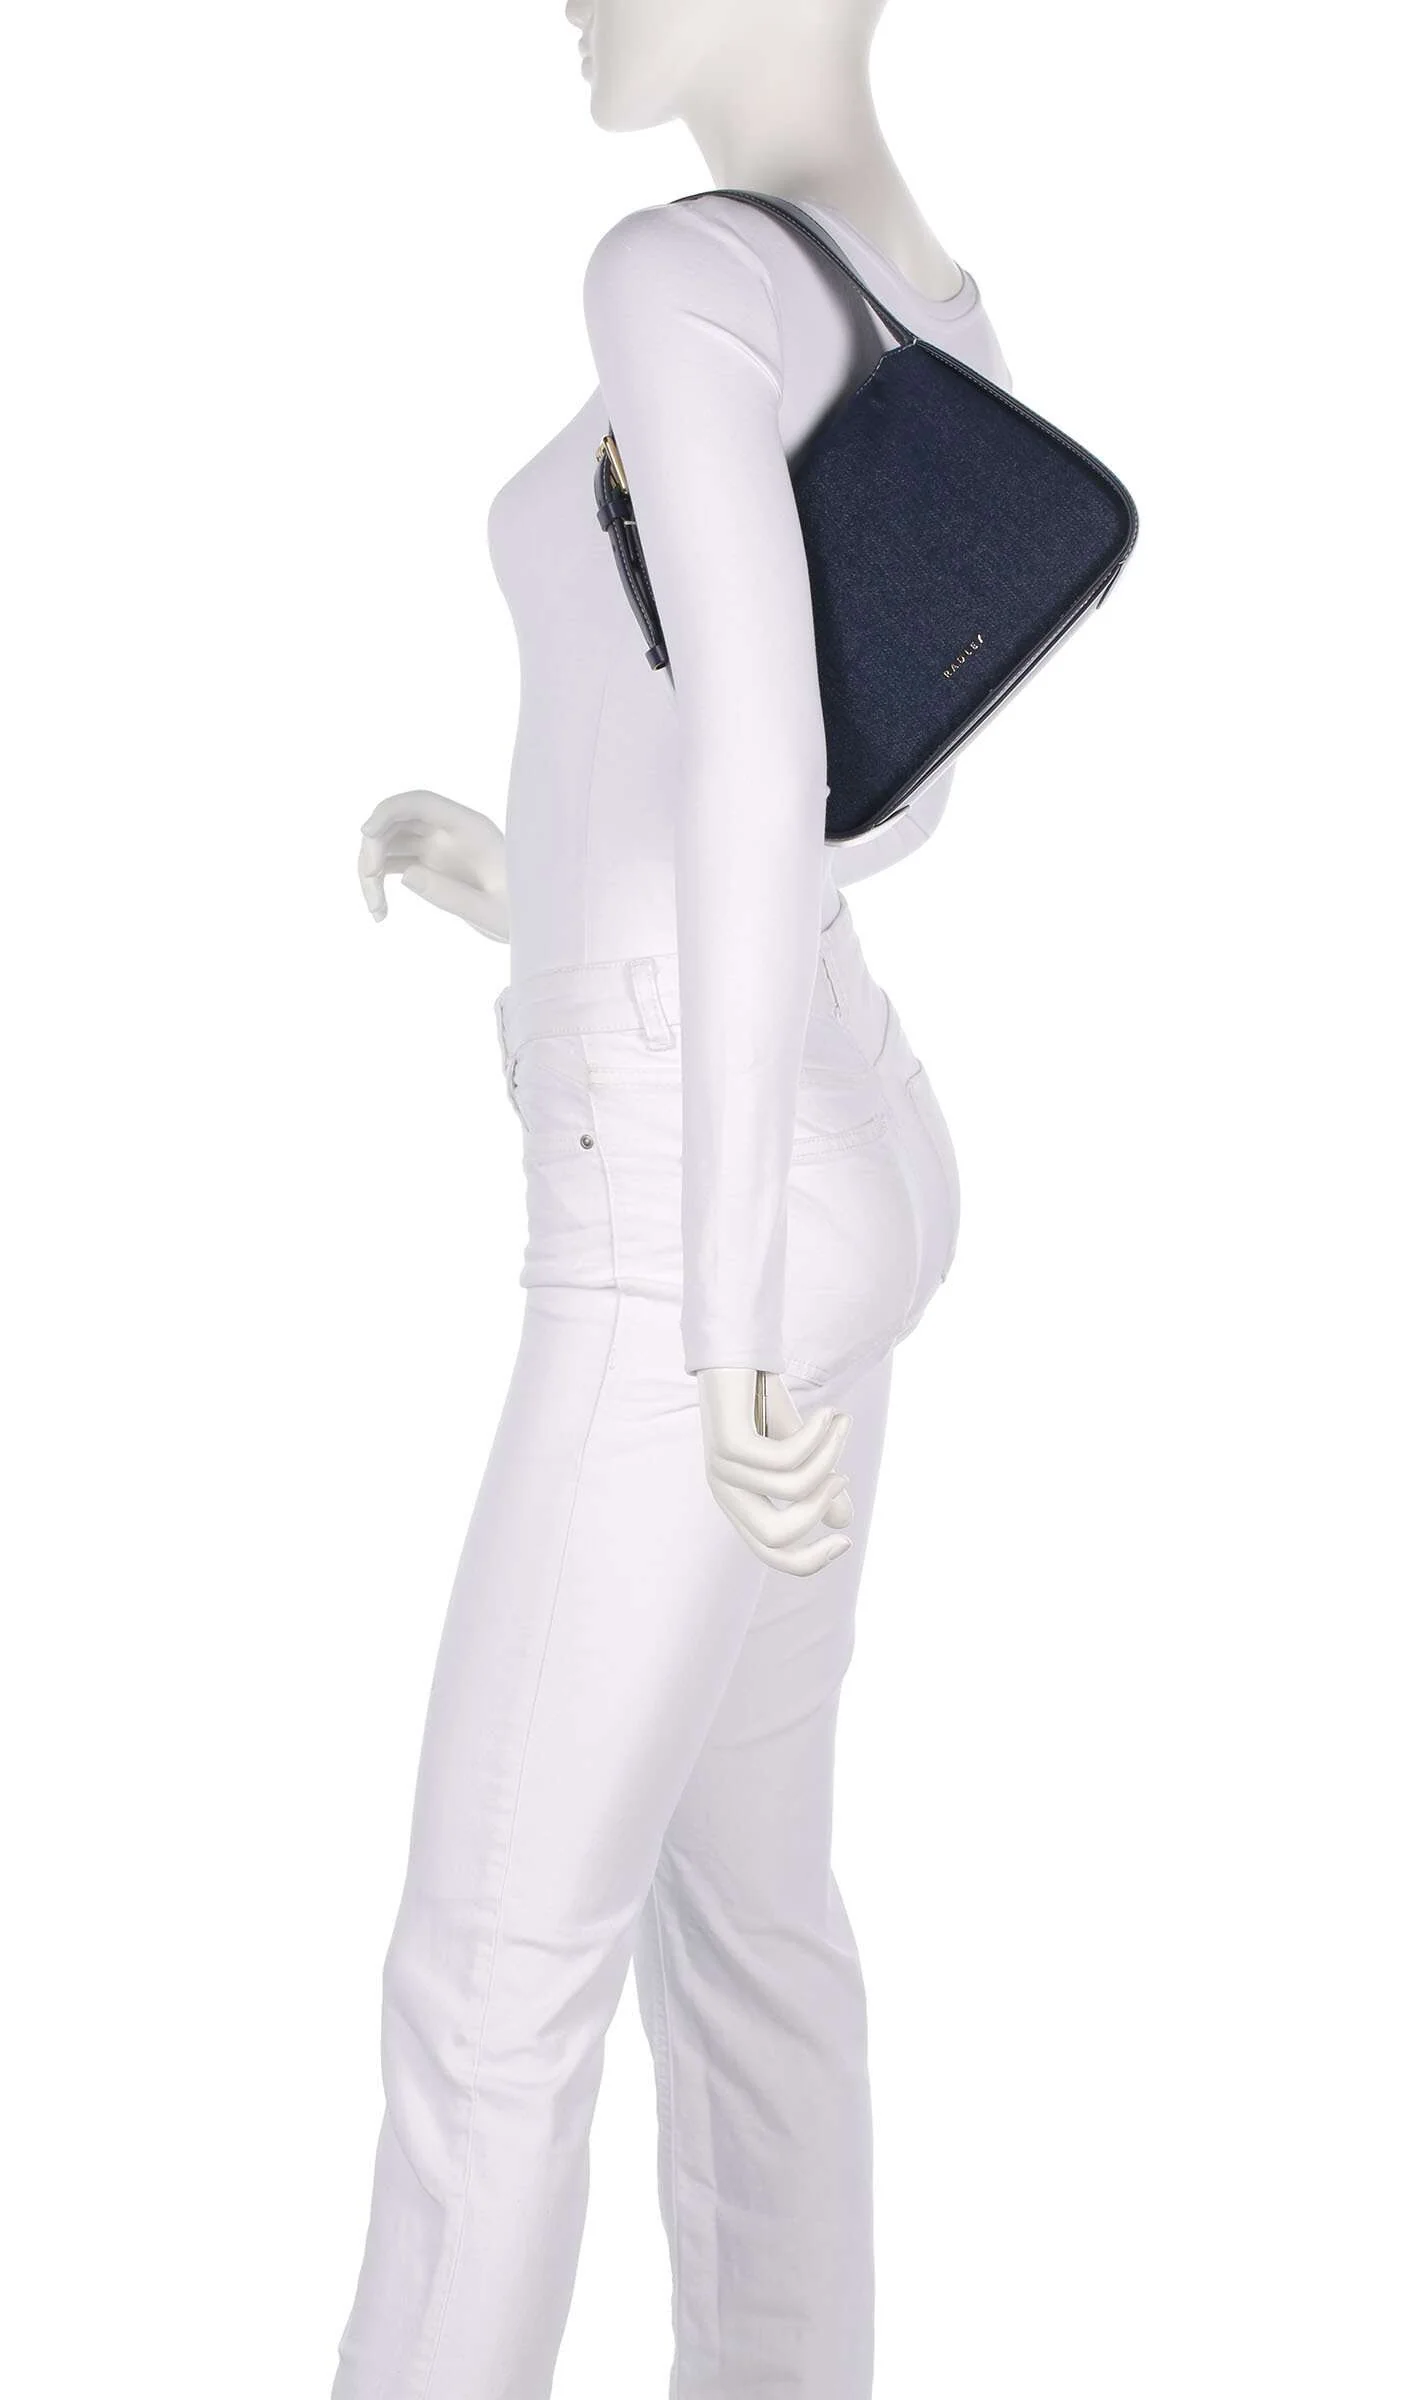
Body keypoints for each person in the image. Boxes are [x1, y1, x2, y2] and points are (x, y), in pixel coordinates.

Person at [335, 6, 1011, 2392]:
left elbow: (762, 762)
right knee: (749, 1937)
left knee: (488, 2002)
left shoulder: (681, 274)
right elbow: (867, 800)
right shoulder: (920, 289)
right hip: (834, 1122)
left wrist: (716, 1316)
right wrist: (543, 889)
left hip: (686, 1217)